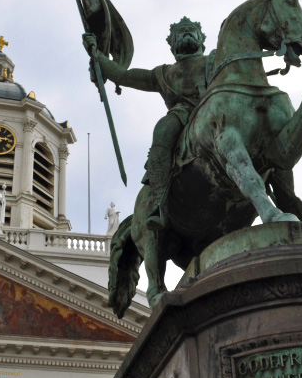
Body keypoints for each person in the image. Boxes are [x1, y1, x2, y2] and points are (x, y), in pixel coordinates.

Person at [83, 17, 209, 229]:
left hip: (215, 109)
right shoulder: (162, 74)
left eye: (191, 30)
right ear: (172, 45)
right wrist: (97, 54)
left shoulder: (216, 60)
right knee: (163, 130)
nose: (186, 33)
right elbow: (123, 76)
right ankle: (159, 203)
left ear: (202, 39)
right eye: (181, 32)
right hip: (182, 117)